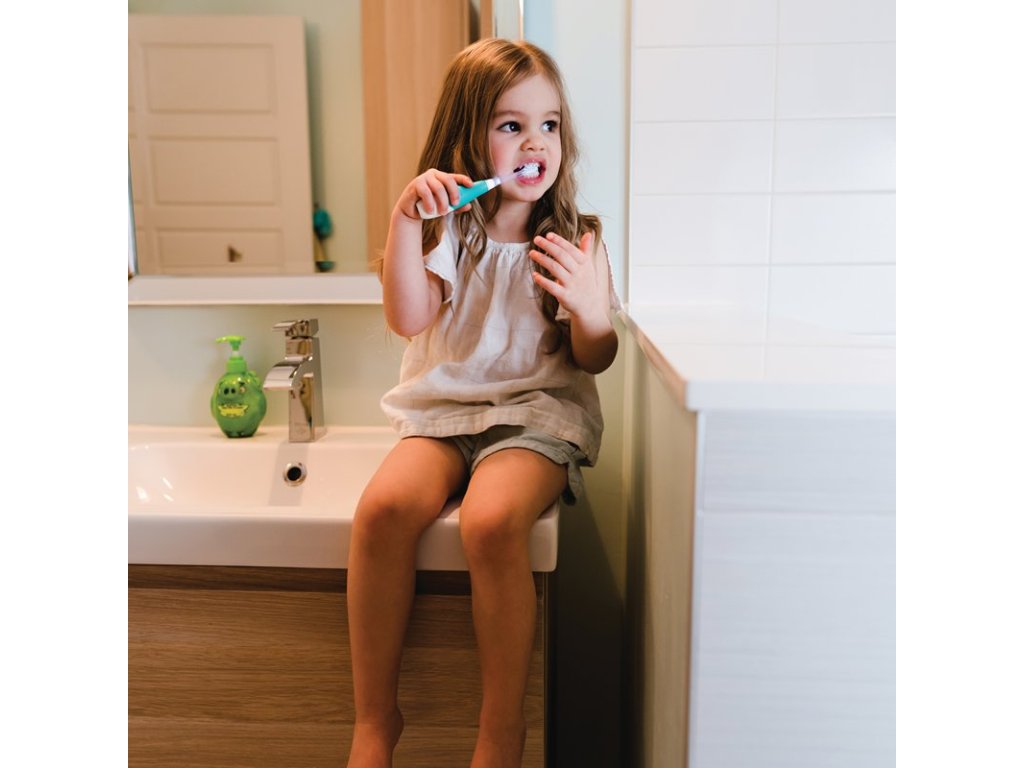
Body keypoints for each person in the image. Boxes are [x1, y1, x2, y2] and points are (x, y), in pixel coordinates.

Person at [345, 37, 618, 768]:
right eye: (511, 125)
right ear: (469, 138)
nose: (536, 143)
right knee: (381, 511)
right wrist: (407, 220)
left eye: (549, 124)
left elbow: (596, 357)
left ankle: (501, 730)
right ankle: (375, 721)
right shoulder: (451, 231)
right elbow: (408, 318)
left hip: (536, 416)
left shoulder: (576, 239)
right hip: (443, 415)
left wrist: (592, 311)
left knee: (492, 521)